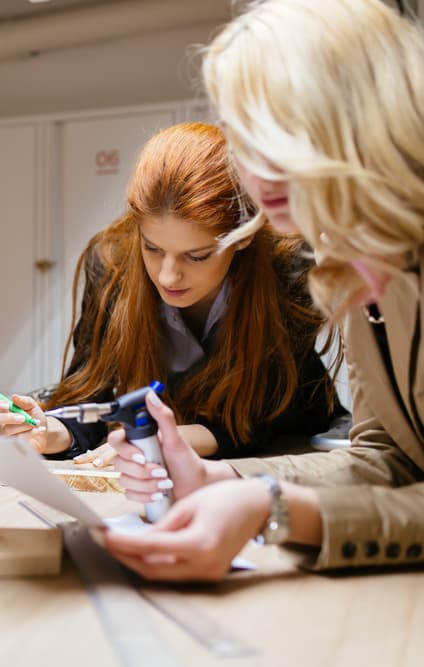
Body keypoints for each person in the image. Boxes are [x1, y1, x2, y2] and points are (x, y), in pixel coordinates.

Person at [104, 0, 424, 580]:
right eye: (242, 135)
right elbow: (390, 461)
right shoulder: (351, 252)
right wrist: (220, 479)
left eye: (279, 129)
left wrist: (275, 509)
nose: (254, 169)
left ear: (367, 115)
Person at [0, 122, 340, 464]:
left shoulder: (289, 267)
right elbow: (91, 394)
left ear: (243, 237)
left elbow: (268, 416)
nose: (168, 275)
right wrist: (49, 431)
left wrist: (165, 441)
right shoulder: (111, 263)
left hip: (288, 448)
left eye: (197, 256)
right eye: (152, 248)